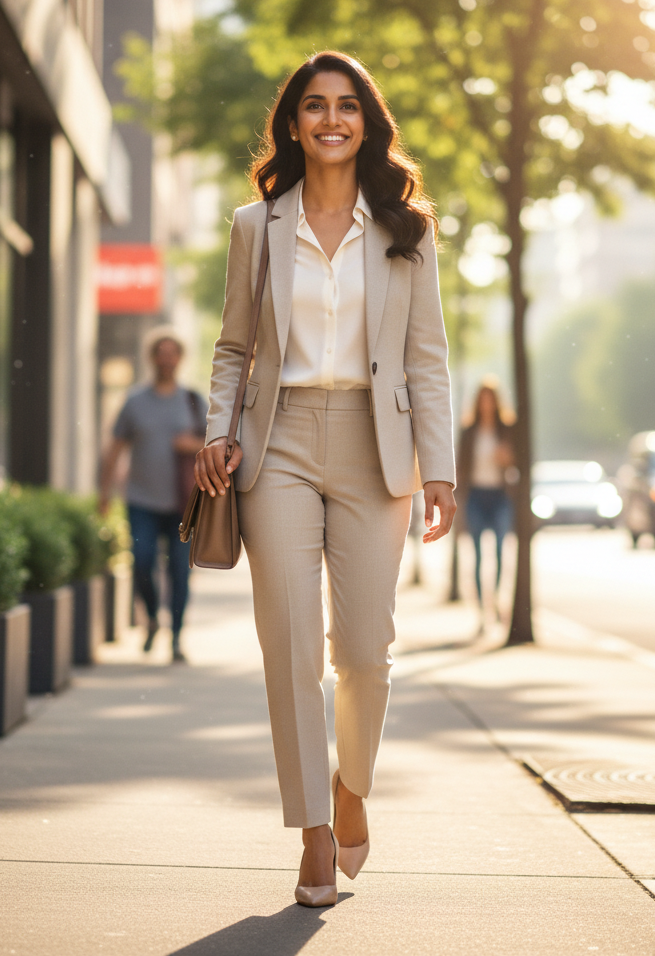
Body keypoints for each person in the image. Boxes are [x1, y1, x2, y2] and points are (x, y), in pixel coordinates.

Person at [194, 52, 455, 907]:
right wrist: (215, 434)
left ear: (367, 123)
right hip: (278, 446)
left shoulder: (406, 230)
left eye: (347, 106)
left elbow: (429, 362)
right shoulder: (255, 225)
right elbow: (234, 349)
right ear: (294, 122)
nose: (331, 119)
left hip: (377, 445)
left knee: (368, 652)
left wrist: (440, 471)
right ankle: (312, 833)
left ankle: (352, 790)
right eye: (314, 105)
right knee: (292, 645)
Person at [99, 328, 207, 663]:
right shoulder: (135, 402)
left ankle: (175, 638)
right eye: (161, 352)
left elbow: (218, 446)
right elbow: (115, 447)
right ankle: (151, 622)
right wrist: (104, 492)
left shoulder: (192, 400)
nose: (167, 359)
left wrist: (192, 445)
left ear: (180, 358)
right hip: (141, 500)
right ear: (152, 358)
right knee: (142, 563)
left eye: (172, 352)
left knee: (179, 570)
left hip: (182, 504)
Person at [456, 382, 516, 629]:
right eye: (483, 399)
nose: (486, 404)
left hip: (500, 496)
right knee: (478, 555)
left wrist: (506, 459)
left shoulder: (506, 430)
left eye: (490, 399)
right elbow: (460, 465)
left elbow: (517, 462)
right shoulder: (469, 431)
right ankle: (482, 610)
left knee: (502, 550)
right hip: (476, 496)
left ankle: (500, 600)